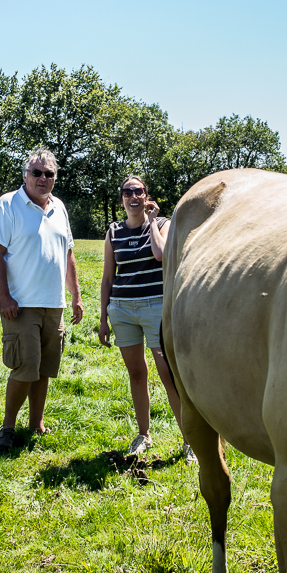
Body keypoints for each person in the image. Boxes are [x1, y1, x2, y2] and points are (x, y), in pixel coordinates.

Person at [0, 148, 83, 450]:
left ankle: (36, 423)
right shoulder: (8, 205)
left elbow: (68, 254)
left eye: (49, 173)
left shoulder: (59, 207)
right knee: (26, 367)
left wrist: (76, 297)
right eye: (36, 173)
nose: (43, 178)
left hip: (54, 304)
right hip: (21, 305)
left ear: (55, 177)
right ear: (25, 175)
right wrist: (4, 297)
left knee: (45, 368)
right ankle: (7, 426)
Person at [98, 176, 195, 462]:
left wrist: (152, 221)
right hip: (122, 310)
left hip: (156, 308)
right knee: (137, 374)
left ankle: (189, 441)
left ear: (146, 196)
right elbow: (107, 278)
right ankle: (144, 434)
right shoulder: (113, 232)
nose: (133, 196)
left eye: (138, 191)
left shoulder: (162, 224)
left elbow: (161, 254)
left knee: (169, 376)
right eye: (127, 192)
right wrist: (103, 317)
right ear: (122, 200)